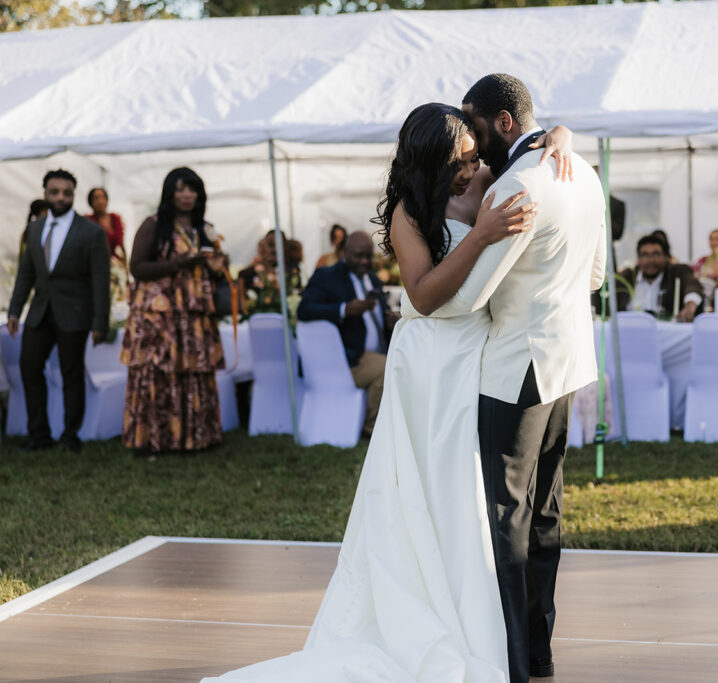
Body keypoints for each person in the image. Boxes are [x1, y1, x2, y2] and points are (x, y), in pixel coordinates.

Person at [203, 101, 580, 683]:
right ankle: (425, 607)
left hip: (475, 354)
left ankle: (470, 606)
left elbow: (530, 141)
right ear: (431, 161)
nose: (474, 168)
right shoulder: (409, 211)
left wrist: (559, 133)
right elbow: (424, 296)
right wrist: (479, 236)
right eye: (461, 161)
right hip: (428, 360)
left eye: (475, 157)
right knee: (424, 482)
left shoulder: (482, 176)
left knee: (468, 490)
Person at [462, 73, 606, 683]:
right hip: (568, 360)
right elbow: (596, 276)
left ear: (502, 123)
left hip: (514, 368)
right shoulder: (585, 172)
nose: (465, 139)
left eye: (471, 123)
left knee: (505, 518)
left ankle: (515, 663)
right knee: (544, 510)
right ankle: (540, 651)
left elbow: (470, 296)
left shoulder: (517, 186)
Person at [120, 167, 227, 453]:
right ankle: (154, 439)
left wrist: (217, 269)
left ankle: (194, 437)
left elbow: (213, 270)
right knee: (158, 372)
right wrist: (179, 264)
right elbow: (137, 268)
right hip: (160, 316)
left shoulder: (205, 229)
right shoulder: (153, 225)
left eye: (192, 189)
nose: (187, 195)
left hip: (193, 315)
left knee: (193, 370)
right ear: (169, 193)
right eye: (180, 189)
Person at [7, 169, 110, 452]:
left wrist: (101, 321)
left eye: (67, 192)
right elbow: (25, 273)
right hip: (39, 313)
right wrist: (15, 310)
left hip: (75, 313)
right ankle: (38, 434)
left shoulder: (92, 232)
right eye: (55, 192)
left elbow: (101, 281)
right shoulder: (35, 228)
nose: (61, 197)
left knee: (71, 374)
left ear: (74, 195)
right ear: (45, 194)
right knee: (29, 369)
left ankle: (70, 435)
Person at [296, 231, 396, 438]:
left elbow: (381, 310)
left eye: (368, 256)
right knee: (388, 368)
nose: (364, 261)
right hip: (347, 359)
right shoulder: (327, 276)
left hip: (377, 352)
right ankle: (372, 429)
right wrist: (344, 310)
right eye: (358, 255)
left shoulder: (373, 279)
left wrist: (390, 318)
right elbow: (304, 310)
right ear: (344, 253)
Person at [616, 233, 703, 321]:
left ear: (666, 257)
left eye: (656, 254)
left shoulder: (677, 272)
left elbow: (693, 285)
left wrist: (690, 304)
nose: (651, 260)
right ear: (638, 259)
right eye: (645, 255)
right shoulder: (626, 277)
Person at [85, 187, 126, 262]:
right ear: (91, 202)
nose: (100, 201)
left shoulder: (116, 219)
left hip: (117, 263)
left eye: (103, 197)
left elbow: (121, 245)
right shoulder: (88, 221)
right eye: (96, 198)